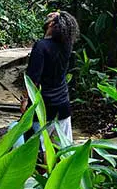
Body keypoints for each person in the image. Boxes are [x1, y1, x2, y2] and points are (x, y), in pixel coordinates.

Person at [23, 10, 80, 144]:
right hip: (63, 105)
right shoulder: (66, 46)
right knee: (64, 150)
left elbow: (33, 79)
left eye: (53, 17)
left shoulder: (41, 46)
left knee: (36, 151)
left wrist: (25, 100)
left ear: (52, 24)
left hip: (43, 107)